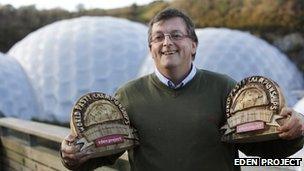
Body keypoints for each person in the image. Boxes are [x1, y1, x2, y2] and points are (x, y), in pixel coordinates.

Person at [60, 8, 304, 171]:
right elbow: (103, 152)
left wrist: (295, 130)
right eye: (158, 37)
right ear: (150, 48)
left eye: (176, 35)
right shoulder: (127, 95)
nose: (167, 43)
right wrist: (72, 156)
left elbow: (261, 146)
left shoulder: (224, 88)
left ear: (193, 45)